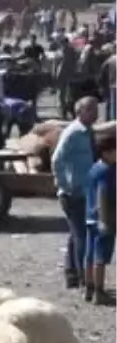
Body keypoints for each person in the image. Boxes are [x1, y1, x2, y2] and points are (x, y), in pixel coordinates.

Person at [52, 96, 99, 289]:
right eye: (90, 109)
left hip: (85, 190)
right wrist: (65, 184)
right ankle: (84, 278)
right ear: (79, 111)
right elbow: (57, 159)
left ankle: (71, 275)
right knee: (83, 235)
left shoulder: (88, 132)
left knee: (75, 234)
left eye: (96, 109)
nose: (95, 113)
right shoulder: (73, 133)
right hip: (73, 193)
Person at [84, 134, 117, 303]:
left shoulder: (94, 168)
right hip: (103, 219)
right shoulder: (107, 171)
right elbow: (102, 195)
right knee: (101, 257)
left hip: (90, 217)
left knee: (89, 254)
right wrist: (104, 220)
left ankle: (89, 288)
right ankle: (99, 291)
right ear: (106, 152)